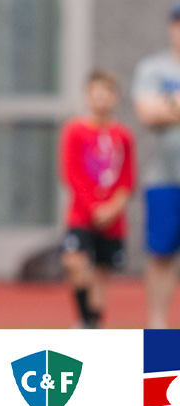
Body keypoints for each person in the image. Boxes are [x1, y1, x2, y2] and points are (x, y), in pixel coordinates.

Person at [60, 71, 135, 328]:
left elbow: (127, 179)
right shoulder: (75, 131)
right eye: (96, 93)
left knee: (102, 271)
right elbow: (71, 174)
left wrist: (114, 207)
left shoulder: (123, 136)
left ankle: (95, 322)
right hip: (82, 215)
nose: (101, 99)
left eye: (107, 93)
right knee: (75, 261)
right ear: (87, 97)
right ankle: (83, 319)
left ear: (115, 98)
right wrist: (94, 207)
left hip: (112, 219)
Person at [132, 0, 180, 329]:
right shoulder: (153, 69)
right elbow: (148, 113)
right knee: (161, 255)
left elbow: (163, 110)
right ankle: (158, 329)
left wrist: (171, 106)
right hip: (165, 178)